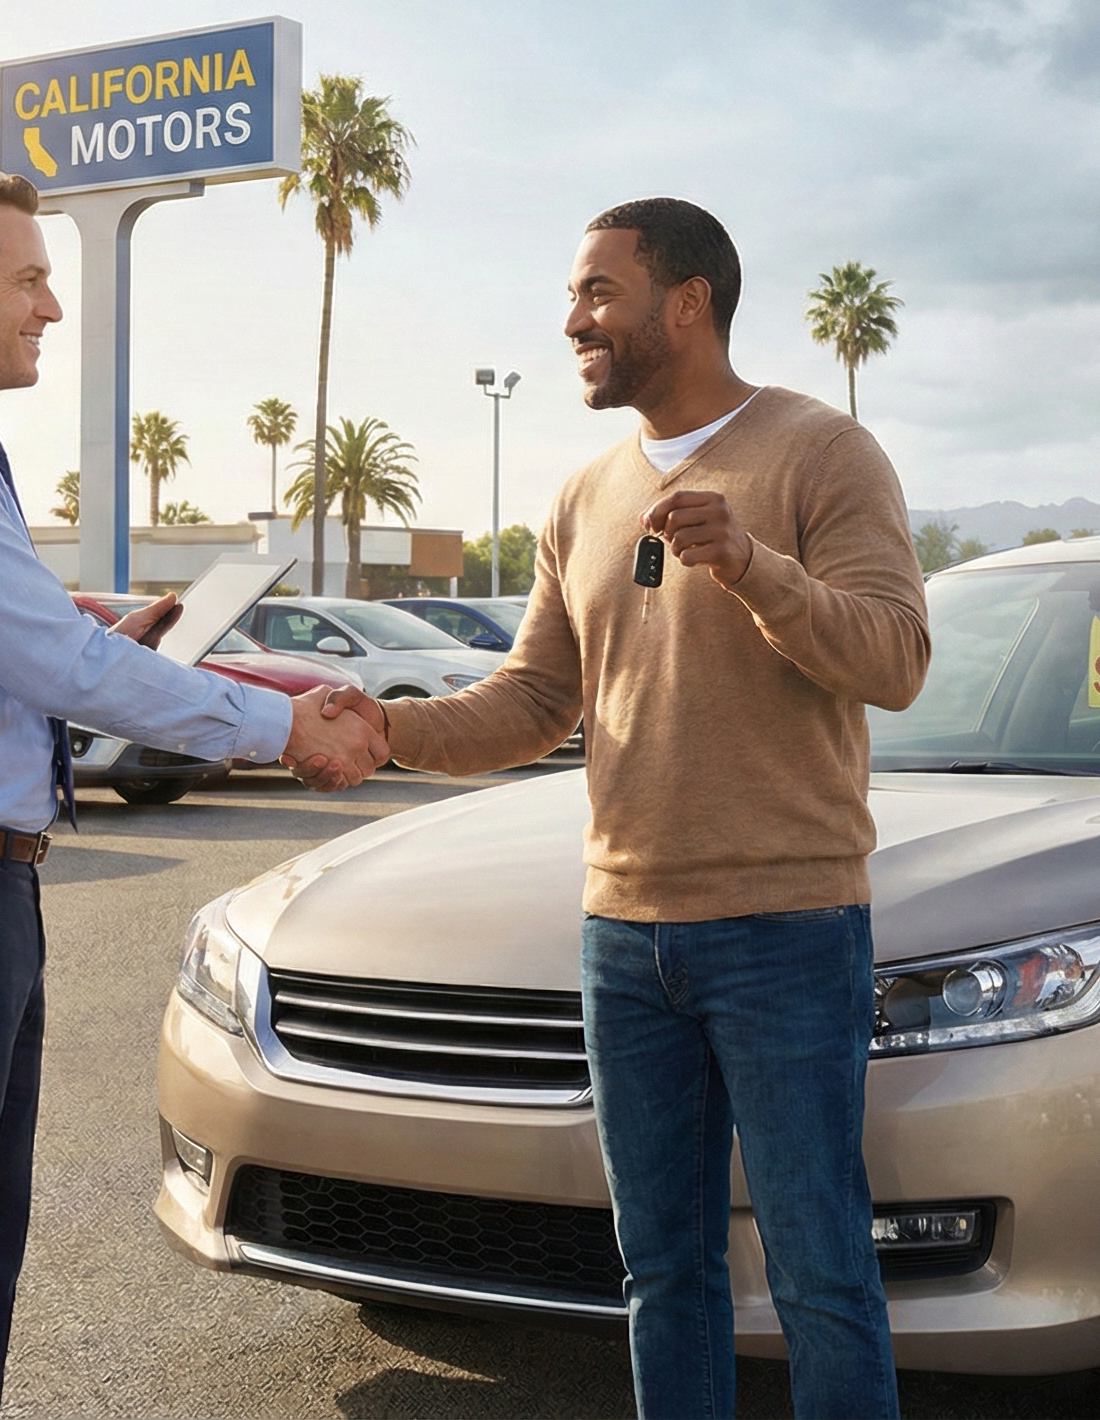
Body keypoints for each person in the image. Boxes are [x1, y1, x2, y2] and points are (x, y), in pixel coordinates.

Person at [316, 197, 930, 1420]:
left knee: (819, 1271)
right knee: (660, 1272)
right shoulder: (581, 493)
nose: (571, 320)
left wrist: (754, 565)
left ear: (685, 302)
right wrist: (391, 728)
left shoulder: (821, 453)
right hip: (621, 937)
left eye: (598, 292)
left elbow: (896, 658)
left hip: (787, 927)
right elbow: (537, 697)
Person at [0, 169, 384, 1420]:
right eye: (27, 276)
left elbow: (29, 637)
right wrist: (283, 722)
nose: (52, 305)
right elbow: (52, 664)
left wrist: (129, 631)